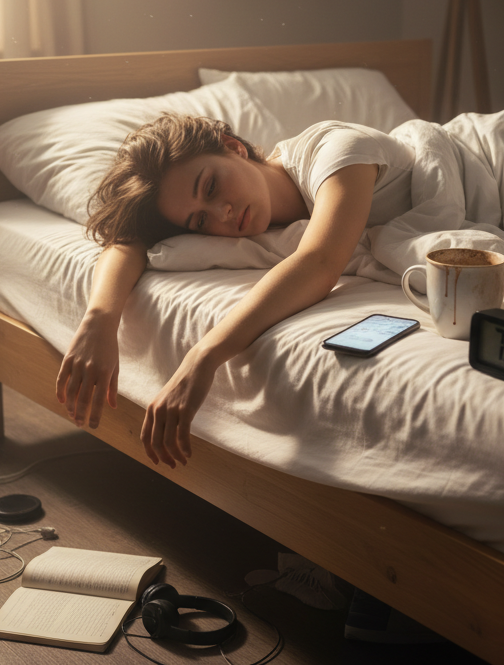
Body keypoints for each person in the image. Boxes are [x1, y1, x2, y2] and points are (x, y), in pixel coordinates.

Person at [56, 113, 414, 469]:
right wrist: (100, 319)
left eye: (210, 186)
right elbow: (128, 243)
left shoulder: (336, 151)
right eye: (199, 220)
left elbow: (320, 262)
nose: (221, 213)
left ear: (234, 148)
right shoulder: (234, 211)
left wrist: (203, 357)